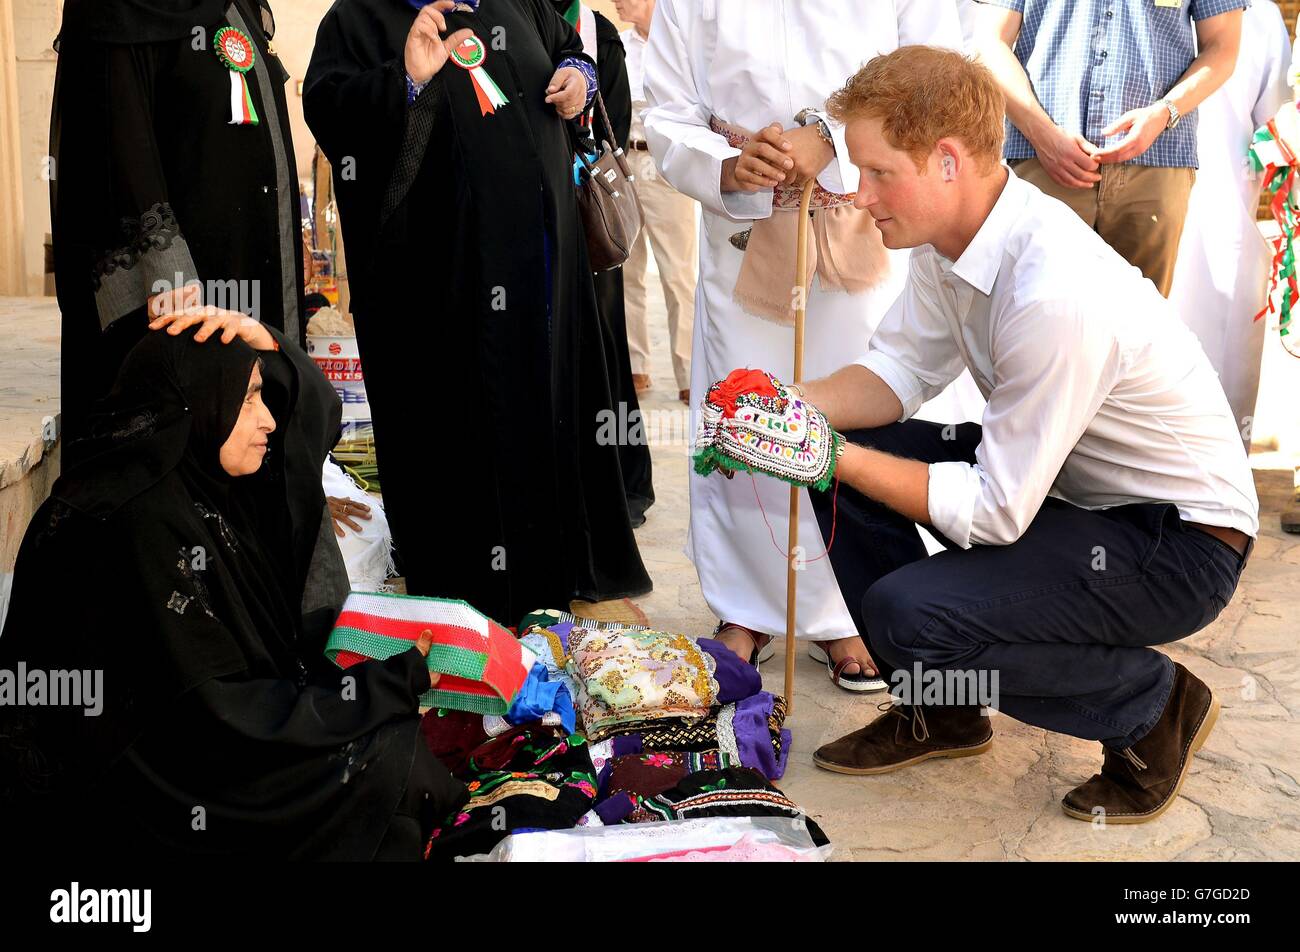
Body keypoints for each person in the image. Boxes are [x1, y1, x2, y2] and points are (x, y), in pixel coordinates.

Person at [740, 46, 1257, 824]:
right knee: (852, 460)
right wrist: (786, 407)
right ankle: (944, 709)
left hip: (1180, 547)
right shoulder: (954, 237)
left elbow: (995, 512)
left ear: (947, 160)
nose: (859, 193)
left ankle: (1150, 705)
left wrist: (833, 454)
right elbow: (893, 374)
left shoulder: (1054, 290)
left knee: (908, 614)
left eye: (879, 172)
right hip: (1086, 501)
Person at [0, 315, 466, 859]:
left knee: (395, 760)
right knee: (384, 766)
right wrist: (388, 684)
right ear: (199, 402)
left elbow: (309, 424)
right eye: (247, 398)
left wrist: (264, 340)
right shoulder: (133, 522)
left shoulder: (192, 482)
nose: (267, 420)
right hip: (144, 789)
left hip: (200, 744)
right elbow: (218, 716)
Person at [643, 0, 984, 691]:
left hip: (869, 218)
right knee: (747, 411)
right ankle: (746, 605)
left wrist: (830, 134)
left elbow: (939, 71)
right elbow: (668, 112)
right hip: (744, 237)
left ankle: (847, 611)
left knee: (858, 408)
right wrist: (729, 165)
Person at [304, 0, 652, 627]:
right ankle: (469, 599)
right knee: (462, 434)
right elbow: (329, 110)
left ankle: (557, 577)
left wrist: (578, 77)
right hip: (440, 293)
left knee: (545, 417)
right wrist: (405, 81)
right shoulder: (359, 17)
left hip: (542, 277)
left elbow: (570, 47)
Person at [51, 0, 306, 463]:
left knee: (247, 432)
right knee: (187, 441)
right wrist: (162, 269)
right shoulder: (120, 9)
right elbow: (114, 135)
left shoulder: (233, 5)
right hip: (181, 292)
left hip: (243, 259)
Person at [974, 0, 1248, 297]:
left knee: (1141, 326)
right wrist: (1043, 135)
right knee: (1034, 314)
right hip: (1044, 161)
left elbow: (1223, 47)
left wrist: (1165, 111)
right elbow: (990, 42)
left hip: (1156, 164)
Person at [1169, 0, 1291, 446]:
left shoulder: (1260, 16)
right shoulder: (1261, 15)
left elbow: (1279, 130)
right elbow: (1278, 123)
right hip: (1203, 222)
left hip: (1219, 224)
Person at [554, 0, 656, 526]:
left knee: (605, 344)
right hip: (537, 216)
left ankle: (623, 482)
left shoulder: (596, 33)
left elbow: (613, 118)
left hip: (587, 213)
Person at [614, 0, 696, 405]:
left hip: (666, 167)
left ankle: (687, 370)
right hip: (625, 162)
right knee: (627, 270)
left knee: (677, 272)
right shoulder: (616, 43)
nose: (615, 2)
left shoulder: (678, 40)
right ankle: (635, 366)